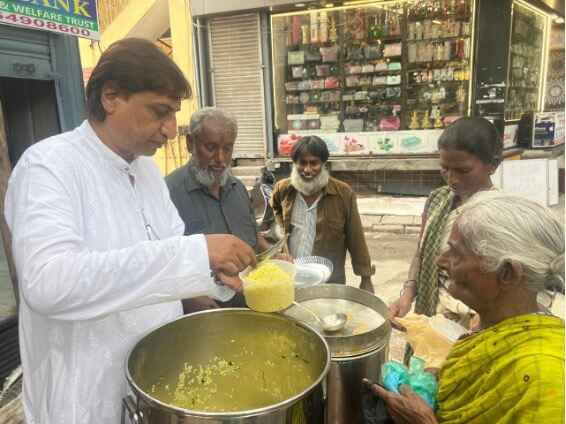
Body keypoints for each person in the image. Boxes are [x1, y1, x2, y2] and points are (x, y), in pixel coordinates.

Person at [4, 38, 255, 424]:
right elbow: (48, 283)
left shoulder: (147, 172)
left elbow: (170, 263)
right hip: (85, 397)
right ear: (111, 97)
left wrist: (216, 275)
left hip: (153, 384)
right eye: (160, 112)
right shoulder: (49, 166)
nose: (170, 130)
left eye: (173, 114)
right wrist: (197, 254)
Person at [371, 192, 565, 423]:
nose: (441, 261)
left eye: (456, 253)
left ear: (507, 273)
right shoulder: (489, 329)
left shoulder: (544, 379)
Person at [389, 117, 503, 319]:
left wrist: (483, 318)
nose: (452, 179)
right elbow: (421, 252)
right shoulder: (438, 199)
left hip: (472, 320)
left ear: (493, 165)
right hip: (431, 312)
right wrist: (407, 294)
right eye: (445, 168)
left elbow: (506, 282)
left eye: (463, 170)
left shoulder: (500, 213)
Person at [166, 107, 271, 311]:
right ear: (190, 143)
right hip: (204, 315)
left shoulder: (238, 188)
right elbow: (158, 263)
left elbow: (253, 237)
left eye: (227, 148)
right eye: (211, 147)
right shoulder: (167, 194)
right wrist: (186, 298)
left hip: (249, 304)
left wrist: (272, 255)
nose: (221, 159)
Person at [270, 135, 374, 292]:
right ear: (294, 163)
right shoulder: (283, 189)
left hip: (328, 280)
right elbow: (275, 213)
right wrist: (280, 245)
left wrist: (365, 278)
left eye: (314, 163)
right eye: (302, 163)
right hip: (290, 276)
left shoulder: (343, 194)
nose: (307, 169)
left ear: (323, 164)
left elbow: (356, 237)